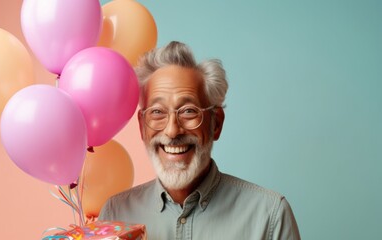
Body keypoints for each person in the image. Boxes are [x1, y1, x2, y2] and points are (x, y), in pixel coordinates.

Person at [98, 41, 301, 240]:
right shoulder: (115, 213)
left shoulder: (270, 215)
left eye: (188, 111)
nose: (172, 131)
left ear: (216, 123)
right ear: (142, 127)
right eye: (158, 112)